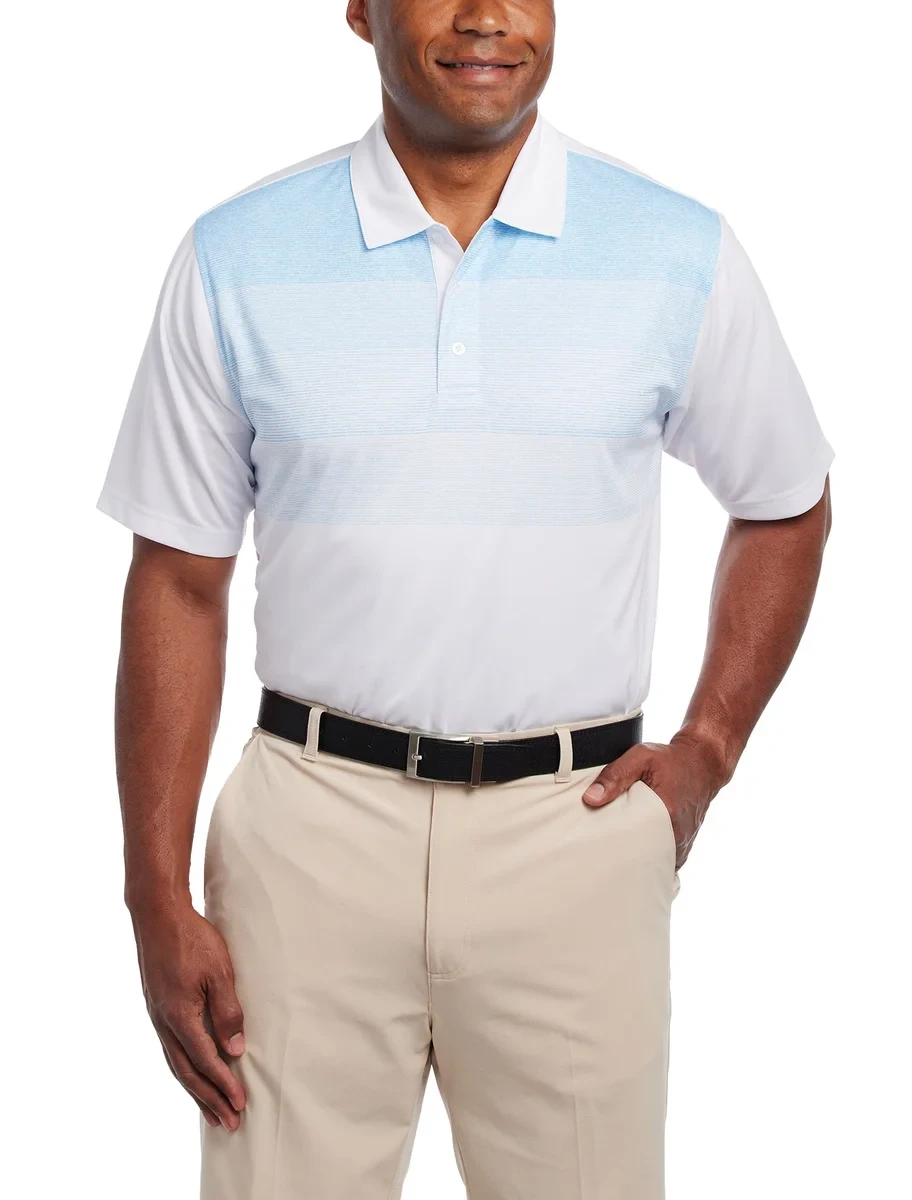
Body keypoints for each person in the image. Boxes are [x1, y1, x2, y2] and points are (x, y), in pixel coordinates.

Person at [96, 1, 835, 1197]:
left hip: (574, 834)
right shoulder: (238, 256)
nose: (487, 16)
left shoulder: (675, 251)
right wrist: (152, 893)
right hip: (308, 839)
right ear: (361, 10)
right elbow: (178, 583)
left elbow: (786, 501)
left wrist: (708, 746)